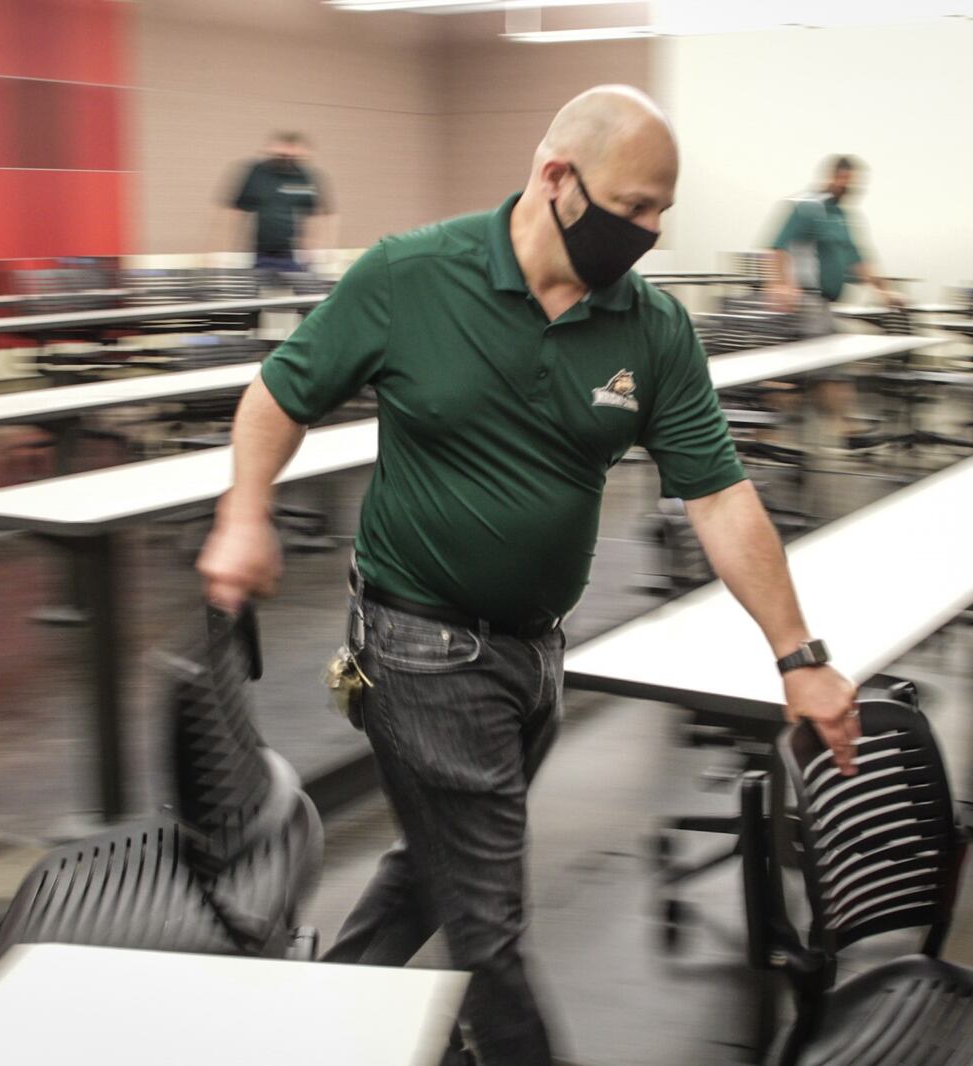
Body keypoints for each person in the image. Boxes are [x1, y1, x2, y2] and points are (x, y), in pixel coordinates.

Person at [197, 86, 859, 1066]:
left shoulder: (650, 327)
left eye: (659, 213)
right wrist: (246, 508)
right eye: (631, 208)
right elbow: (276, 393)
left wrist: (797, 653)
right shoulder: (410, 276)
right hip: (418, 645)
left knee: (437, 873)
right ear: (556, 179)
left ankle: (314, 1021)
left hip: (538, 652)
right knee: (489, 927)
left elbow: (720, 497)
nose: (647, 231)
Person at [766, 156, 904, 442]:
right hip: (807, 301)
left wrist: (884, 290)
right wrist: (781, 284)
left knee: (799, 375)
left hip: (825, 303)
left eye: (852, 182)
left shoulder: (842, 216)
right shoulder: (807, 207)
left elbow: (858, 261)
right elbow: (778, 247)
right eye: (843, 179)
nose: (847, 186)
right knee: (829, 367)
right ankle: (844, 427)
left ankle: (769, 430)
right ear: (831, 176)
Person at [224, 131, 335, 274]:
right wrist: (226, 250)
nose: (287, 157)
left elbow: (318, 215)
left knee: (304, 291)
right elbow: (235, 211)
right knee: (255, 288)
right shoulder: (257, 172)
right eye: (283, 153)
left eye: (292, 154)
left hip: (291, 253)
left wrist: (317, 249)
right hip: (260, 252)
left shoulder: (306, 177)